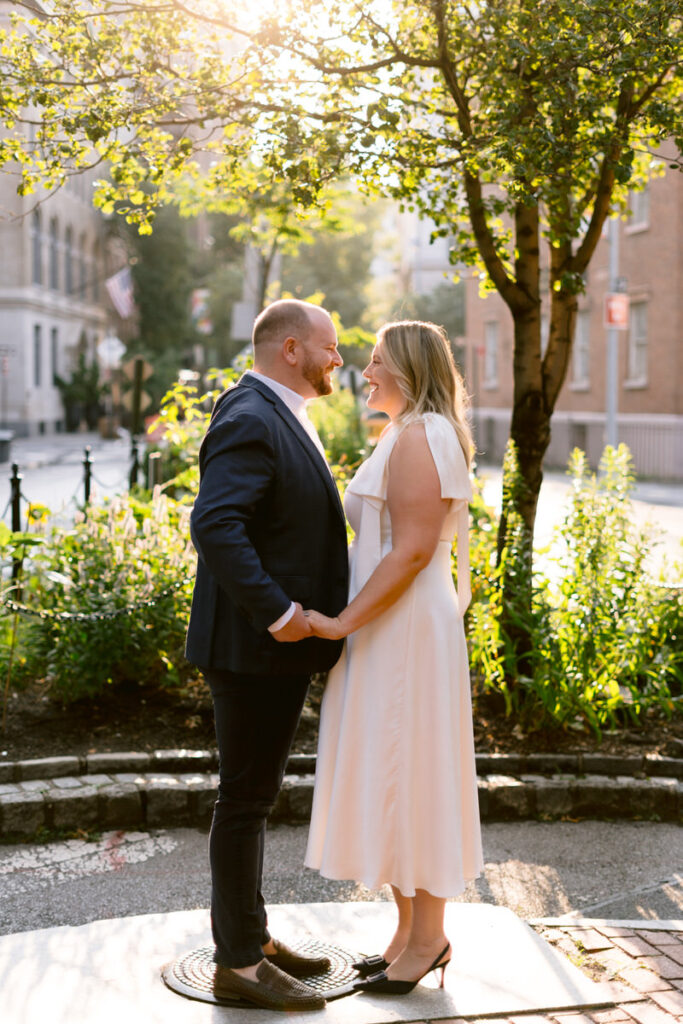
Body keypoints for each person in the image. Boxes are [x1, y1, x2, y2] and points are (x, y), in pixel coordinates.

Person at [304, 319, 484, 995]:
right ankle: (409, 934)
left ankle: (430, 935)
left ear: (408, 370)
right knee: (393, 770)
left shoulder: (423, 435)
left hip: (403, 628)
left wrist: (344, 620)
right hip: (389, 627)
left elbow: (411, 549)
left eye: (376, 361)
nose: (364, 371)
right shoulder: (403, 433)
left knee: (415, 771)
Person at [185, 299, 349, 1011]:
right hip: (254, 646)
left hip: (266, 650)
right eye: (330, 346)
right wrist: (280, 613)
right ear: (290, 347)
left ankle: (248, 936)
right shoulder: (252, 414)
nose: (338, 358)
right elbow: (216, 525)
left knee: (251, 798)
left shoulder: (275, 409)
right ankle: (240, 965)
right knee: (245, 801)